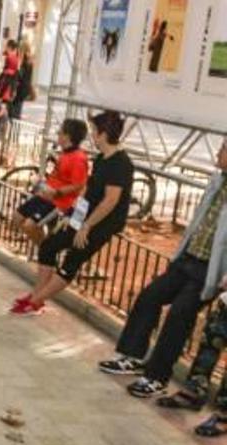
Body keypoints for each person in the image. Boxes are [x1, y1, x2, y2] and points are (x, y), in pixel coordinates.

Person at [97, 141, 227, 396]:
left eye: (224, 149)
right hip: (188, 258)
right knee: (149, 297)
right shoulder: (217, 181)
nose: (218, 152)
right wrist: (179, 254)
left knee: (179, 316)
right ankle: (132, 357)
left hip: (211, 270)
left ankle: (157, 377)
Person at [13, 111, 134, 315]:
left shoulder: (121, 164)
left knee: (72, 260)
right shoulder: (102, 158)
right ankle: (37, 294)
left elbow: (110, 201)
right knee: (49, 246)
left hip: (103, 222)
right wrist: (73, 215)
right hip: (86, 215)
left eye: (94, 131)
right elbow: (88, 190)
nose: (92, 135)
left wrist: (86, 226)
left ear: (103, 134)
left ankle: (36, 301)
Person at [12, 119, 90, 244]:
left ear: (67, 136)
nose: (57, 134)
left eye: (60, 132)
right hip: (46, 195)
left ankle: (45, 251)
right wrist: (42, 185)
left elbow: (79, 185)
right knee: (17, 217)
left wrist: (57, 192)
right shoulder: (65, 154)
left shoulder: (78, 158)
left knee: (29, 225)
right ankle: (44, 247)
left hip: (60, 202)